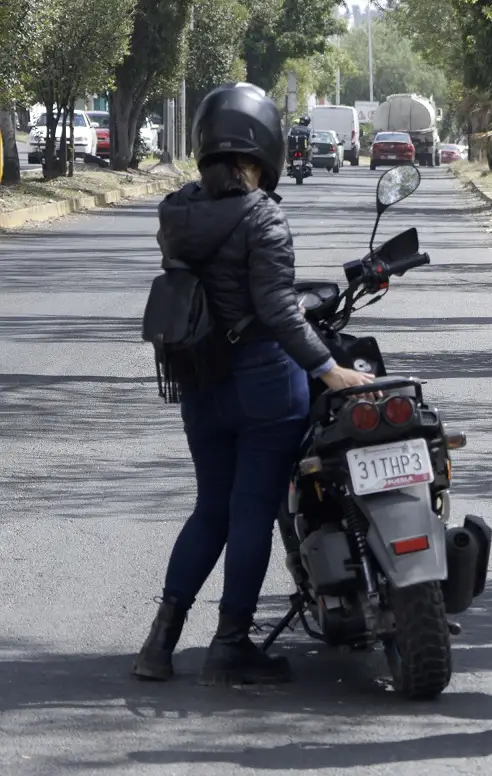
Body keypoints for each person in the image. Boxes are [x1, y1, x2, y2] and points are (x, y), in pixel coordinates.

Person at [132, 83, 374, 686]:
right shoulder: (263, 216)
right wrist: (329, 368)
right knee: (250, 513)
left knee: (209, 508)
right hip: (265, 386)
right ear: (264, 147)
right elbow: (277, 309)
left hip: (199, 382)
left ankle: (160, 642)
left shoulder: (178, 212)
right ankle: (231, 643)